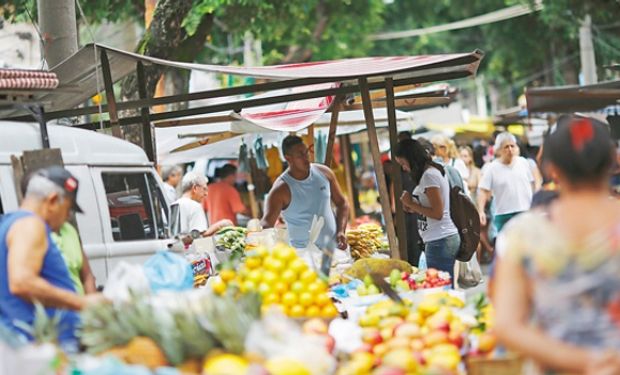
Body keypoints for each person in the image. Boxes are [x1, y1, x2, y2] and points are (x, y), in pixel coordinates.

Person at [494, 115, 620, 374]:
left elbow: (507, 326)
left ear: (551, 168)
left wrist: (582, 361)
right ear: (612, 160)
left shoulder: (524, 234)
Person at [0, 166, 99, 349]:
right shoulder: (31, 225)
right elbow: (21, 282)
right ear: (53, 200)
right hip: (42, 350)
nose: (67, 217)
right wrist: (82, 302)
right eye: (68, 209)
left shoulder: (8, 223)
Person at [261, 135, 349, 251]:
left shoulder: (325, 173)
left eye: (306, 152)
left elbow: (342, 204)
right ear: (288, 159)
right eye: (300, 155)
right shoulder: (281, 189)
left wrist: (340, 231)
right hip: (303, 255)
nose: (306, 157)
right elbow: (267, 224)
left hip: (333, 249)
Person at [395, 139, 460, 280]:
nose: (404, 168)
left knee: (441, 286)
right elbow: (430, 209)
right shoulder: (429, 174)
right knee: (442, 285)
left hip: (440, 240)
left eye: (403, 164)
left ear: (411, 158)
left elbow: (437, 213)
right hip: (437, 239)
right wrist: (413, 206)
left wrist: (411, 204)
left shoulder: (429, 175)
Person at [477, 132, 534, 233]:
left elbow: (531, 184)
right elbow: (483, 190)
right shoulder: (492, 168)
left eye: (512, 146)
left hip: (525, 211)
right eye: (506, 147)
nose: (510, 149)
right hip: (503, 214)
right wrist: (481, 211)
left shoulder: (523, 162)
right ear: (498, 150)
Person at [175, 172, 232, 237]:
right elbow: (200, 235)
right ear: (195, 188)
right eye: (204, 189)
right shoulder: (195, 206)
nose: (206, 194)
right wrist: (221, 224)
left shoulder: (175, 204)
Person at [51, 222, 97, 295]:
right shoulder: (34, 231)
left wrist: (92, 304)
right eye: (66, 210)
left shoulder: (70, 230)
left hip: (80, 303)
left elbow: (87, 276)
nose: (69, 214)